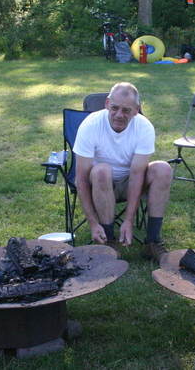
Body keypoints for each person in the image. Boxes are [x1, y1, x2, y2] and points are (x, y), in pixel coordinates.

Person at [73, 82, 172, 262]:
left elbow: (137, 175)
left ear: (136, 110)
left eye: (126, 110)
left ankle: (152, 242)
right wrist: (92, 223)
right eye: (115, 108)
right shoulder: (91, 125)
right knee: (102, 171)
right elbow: (81, 179)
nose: (119, 115)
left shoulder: (144, 127)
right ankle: (108, 241)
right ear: (106, 104)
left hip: (131, 182)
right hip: (100, 182)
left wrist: (128, 220)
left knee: (163, 169)